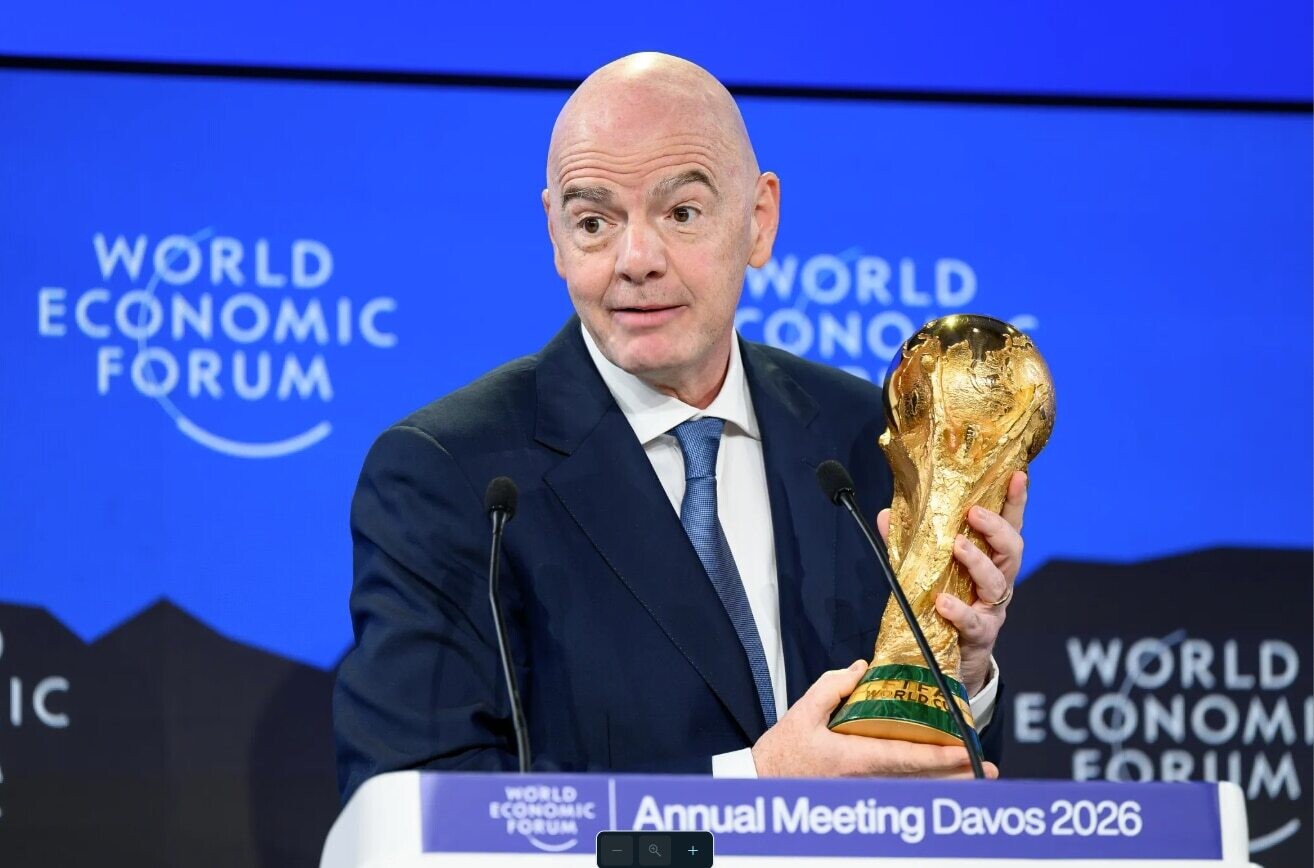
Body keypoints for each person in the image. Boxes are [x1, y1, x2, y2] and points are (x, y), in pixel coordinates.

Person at [333, 52, 1027, 802]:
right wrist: (755, 786)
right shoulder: (455, 476)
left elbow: (932, 797)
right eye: (594, 222)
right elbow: (413, 797)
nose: (636, 261)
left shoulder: (864, 438)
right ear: (556, 237)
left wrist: (956, 676)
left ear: (759, 221)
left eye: (681, 213)